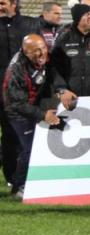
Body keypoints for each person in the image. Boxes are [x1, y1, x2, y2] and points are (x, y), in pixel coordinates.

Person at [2, 35, 58, 198]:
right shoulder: (16, 70)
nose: (42, 54)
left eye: (43, 49)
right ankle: (19, 186)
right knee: (30, 147)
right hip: (18, 112)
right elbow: (16, 103)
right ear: (26, 52)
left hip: (35, 107)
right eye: (36, 51)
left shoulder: (46, 56)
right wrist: (42, 115)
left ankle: (38, 181)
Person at [0, 0, 38, 187]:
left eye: (2, 2)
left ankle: (15, 178)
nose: (0, 6)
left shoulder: (29, 24)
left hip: (18, 93)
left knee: (14, 134)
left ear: (14, 3)